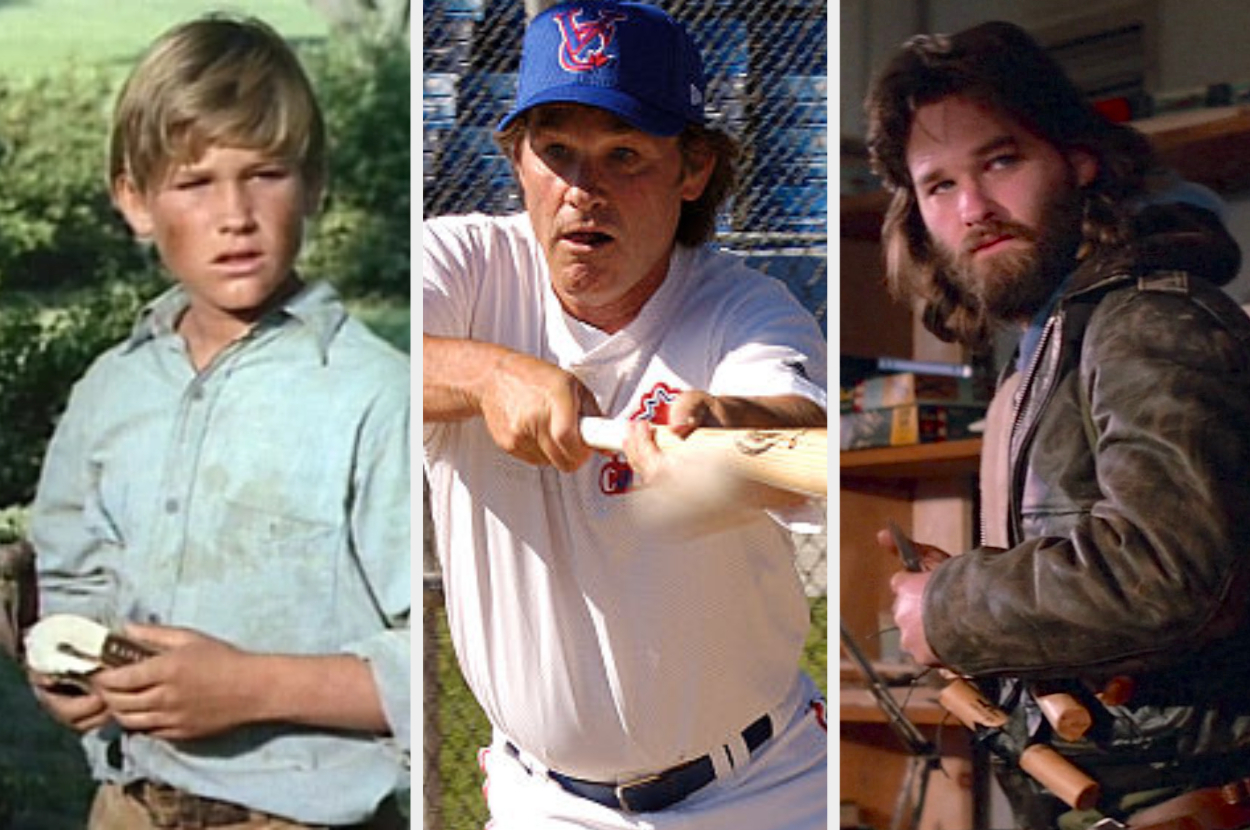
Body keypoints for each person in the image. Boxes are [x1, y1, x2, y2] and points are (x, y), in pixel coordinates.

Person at [422, 1, 828, 827]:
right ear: (516, 159)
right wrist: (489, 375)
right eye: (557, 151)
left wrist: (722, 436)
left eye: (625, 155)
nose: (583, 190)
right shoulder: (463, 266)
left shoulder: (744, 307)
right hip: (543, 799)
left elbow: (808, 454)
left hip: (757, 790)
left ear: (693, 170)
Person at [25, 15, 410, 830]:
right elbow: (74, 578)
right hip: (126, 807)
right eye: (195, 183)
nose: (234, 214)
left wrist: (251, 688)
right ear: (134, 201)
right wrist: (70, 663)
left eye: (264, 174)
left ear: (312, 184)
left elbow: (449, 661)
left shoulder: (375, 398)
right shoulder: (109, 392)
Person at [868, 19, 1250, 830]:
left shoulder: (1147, 316)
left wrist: (950, 608)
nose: (974, 208)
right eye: (939, 185)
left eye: (1000, 160)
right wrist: (965, 585)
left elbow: (1164, 572)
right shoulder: (1056, 330)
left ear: (1078, 158)